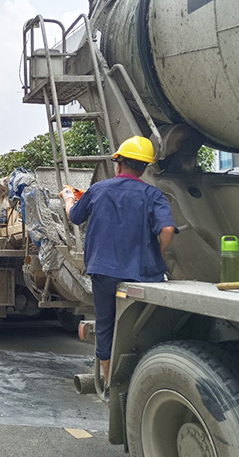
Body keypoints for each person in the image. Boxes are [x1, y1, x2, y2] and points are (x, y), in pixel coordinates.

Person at [60, 135, 177, 384]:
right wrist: (160, 253)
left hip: (105, 271)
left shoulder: (98, 190)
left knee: (105, 326)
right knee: (142, 326)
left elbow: (75, 217)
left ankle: (111, 384)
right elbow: (166, 230)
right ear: (144, 168)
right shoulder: (153, 194)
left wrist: (69, 199)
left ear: (118, 163)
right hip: (143, 274)